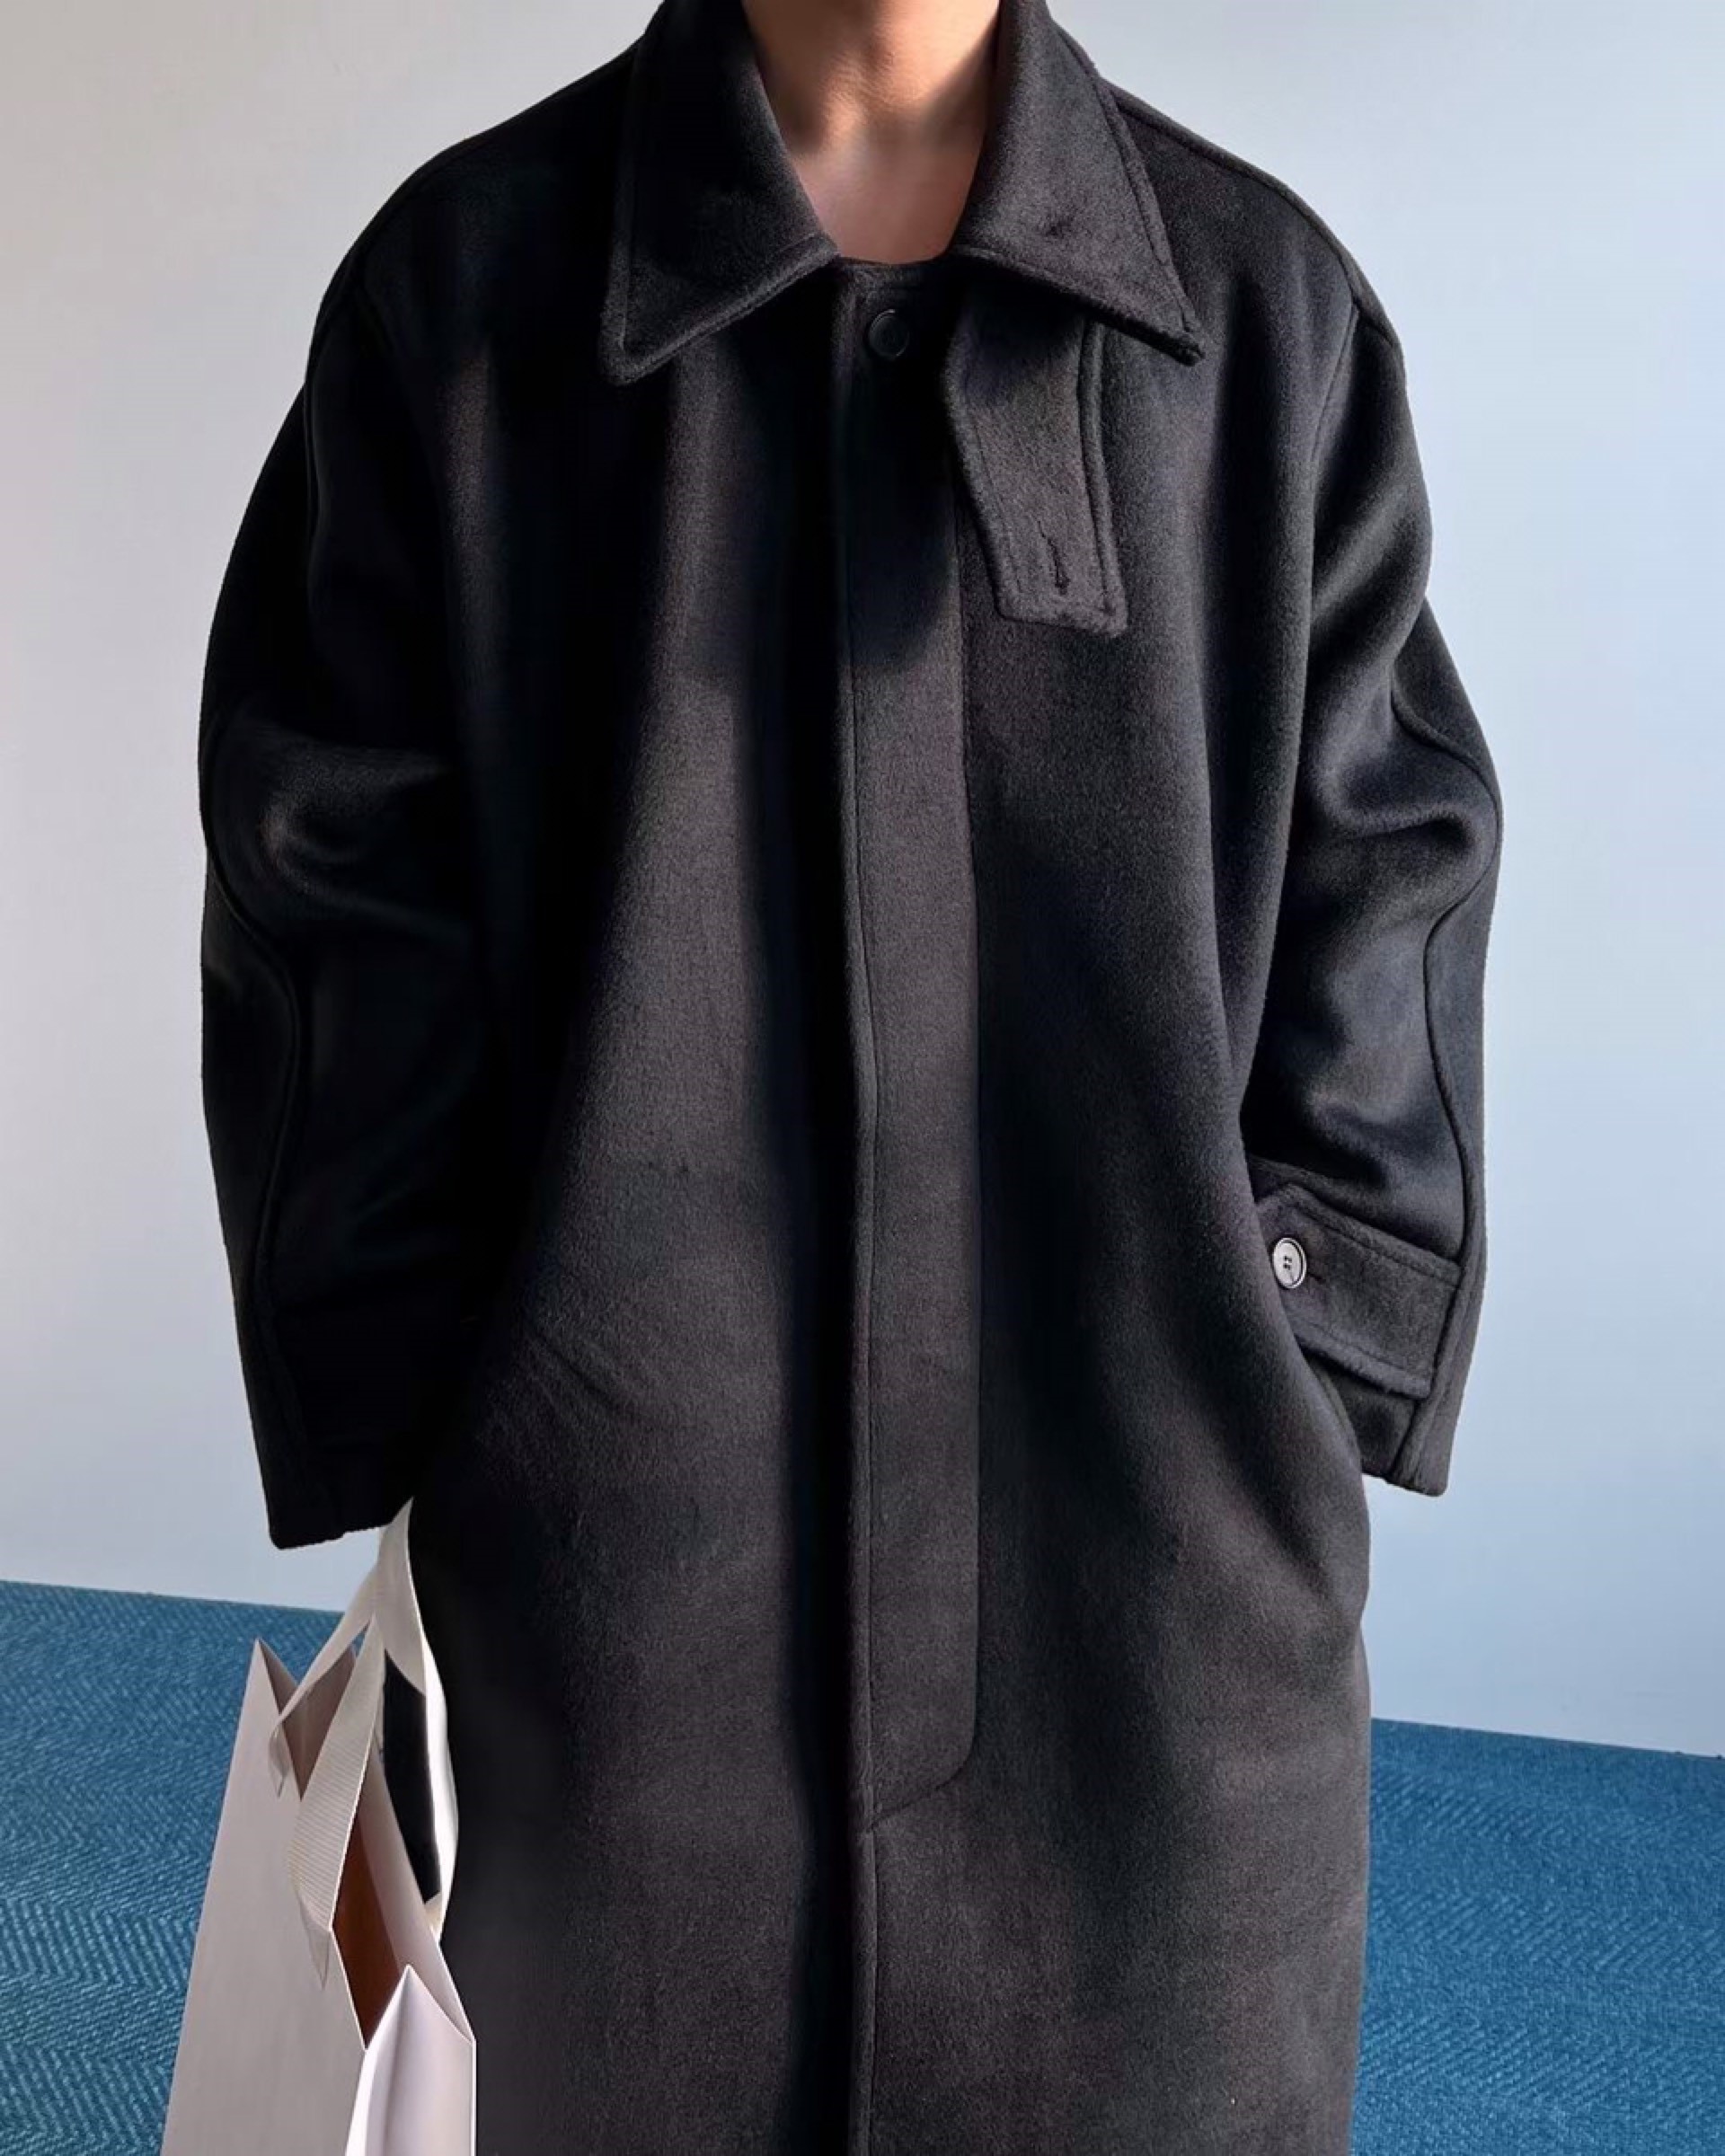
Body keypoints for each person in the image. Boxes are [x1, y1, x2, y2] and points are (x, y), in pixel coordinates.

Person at [196, 0, 1504, 2147]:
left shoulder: (1263, 319)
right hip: (619, 1597)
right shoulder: (466, 297)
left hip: (1152, 1600)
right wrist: (449, 1374)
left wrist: (1292, 1336)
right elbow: (325, 867)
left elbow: (1398, 858)